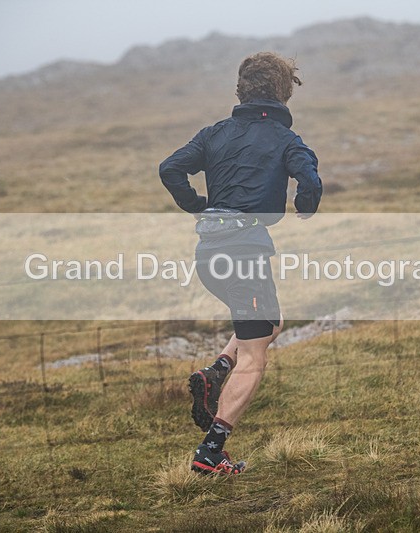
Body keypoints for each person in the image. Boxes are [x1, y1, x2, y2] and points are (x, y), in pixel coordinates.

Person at [159, 52, 323, 475]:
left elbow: (171, 168)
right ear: (285, 92)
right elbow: (309, 179)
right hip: (245, 254)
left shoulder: (215, 134)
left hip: (208, 255)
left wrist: (197, 205)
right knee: (256, 356)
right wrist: (306, 204)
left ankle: (216, 372)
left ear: (241, 90)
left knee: (270, 325)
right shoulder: (287, 141)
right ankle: (210, 454)